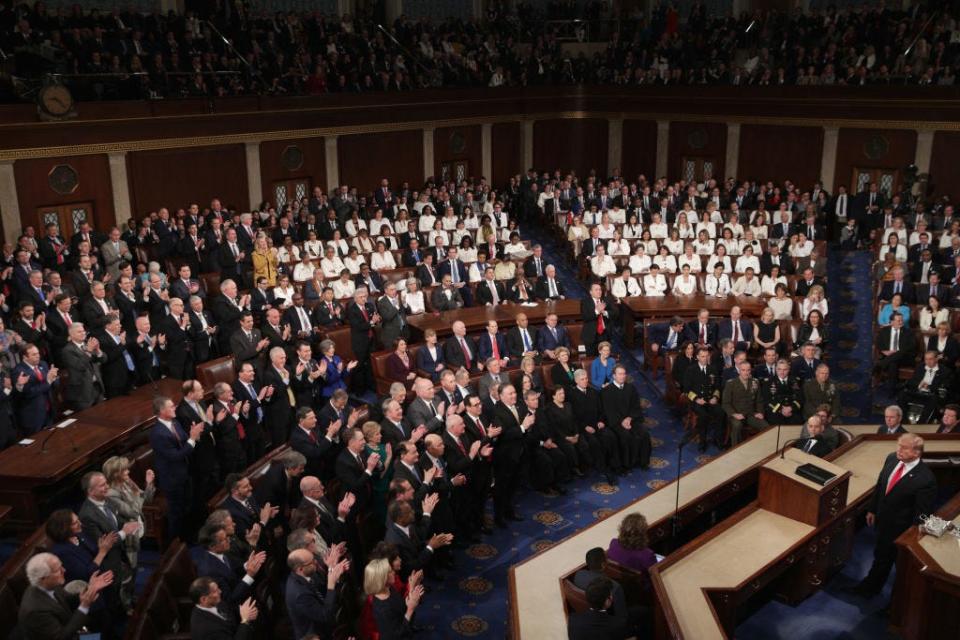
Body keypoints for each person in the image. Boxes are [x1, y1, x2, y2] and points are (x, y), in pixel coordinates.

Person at [853, 433, 936, 597]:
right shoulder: (892, 458)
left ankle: (895, 606)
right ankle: (869, 589)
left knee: (901, 570)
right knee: (880, 558)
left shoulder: (926, 479)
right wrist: (872, 509)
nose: (899, 450)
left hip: (901, 532)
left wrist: (907, 540)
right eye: (898, 445)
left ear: (917, 452)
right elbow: (880, 485)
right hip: (883, 523)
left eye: (904, 448)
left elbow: (921, 515)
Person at [18, 553, 113, 640]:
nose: (64, 570)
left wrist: (90, 588)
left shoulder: (48, 584)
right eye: (58, 570)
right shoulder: (35, 611)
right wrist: (84, 606)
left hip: (69, 627)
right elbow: (61, 637)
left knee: (104, 620)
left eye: (61, 566)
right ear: (44, 578)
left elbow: (67, 600)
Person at [149, 395, 205, 542]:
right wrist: (192, 439)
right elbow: (176, 456)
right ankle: (176, 545)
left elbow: (185, 441)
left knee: (187, 508)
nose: (175, 408)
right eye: (171, 406)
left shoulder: (174, 423)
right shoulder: (158, 434)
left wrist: (194, 436)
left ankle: (189, 537)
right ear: (162, 411)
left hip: (185, 474)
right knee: (176, 514)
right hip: (172, 480)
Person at [285, 548, 349, 640]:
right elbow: (325, 615)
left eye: (314, 558)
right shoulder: (300, 595)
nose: (316, 562)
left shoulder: (305, 573)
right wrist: (331, 584)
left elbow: (322, 587)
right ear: (300, 569)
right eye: (311, 562)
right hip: (314, 634)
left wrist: (331, 568)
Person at [601, 365, 649, 469]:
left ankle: (643, 462)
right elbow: (609, 411)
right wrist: (621, 421)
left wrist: (629, 418)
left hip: (631, 419)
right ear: (614, 376)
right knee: (625, 436)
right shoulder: (607, 391)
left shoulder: (630, 388)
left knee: (644, 433)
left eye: (624, 374)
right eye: (620, 374)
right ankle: (627, 464)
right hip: (616, 422)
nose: (623, 376)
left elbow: (636, 406)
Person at [366, 557, 424, 640]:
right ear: (382, 579)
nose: (394, 572)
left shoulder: (389, 588)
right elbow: (396, 636)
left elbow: (400, 609)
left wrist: (411, 588)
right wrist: (410, 610)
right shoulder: (382, 609)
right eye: (390, 572)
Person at [188, 577, 258, 640]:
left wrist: (247, 612)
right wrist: (245, 620)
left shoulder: (214, 602)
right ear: (203, 599)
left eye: (218, 588)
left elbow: (231, 611)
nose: (220, 591)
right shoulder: (207, 630)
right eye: (215, 591)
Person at [683, 347, 726, 451]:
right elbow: (686, 389)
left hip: (710, 400)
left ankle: (718, 439)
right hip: (697, 401)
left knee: (721, 413)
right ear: (697, 357)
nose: (705, 358)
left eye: (707, 356)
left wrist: (715, 397)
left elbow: (717, 386)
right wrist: (697, 399)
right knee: (703, 415)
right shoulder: (691, 370)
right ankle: (702, 442)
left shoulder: (713, 369)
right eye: (703, 356)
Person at [721, 361, 769, 446]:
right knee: (737, 425)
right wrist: (734, 414)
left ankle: (762, 447)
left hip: (751, 414)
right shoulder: (730, 384)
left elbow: (759, 400)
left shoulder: (755, 382)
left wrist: (760, 412)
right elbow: (725, 403)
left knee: (765, 425)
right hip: (736, 414)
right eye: (743, 370)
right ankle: (735, 449)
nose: (746, 373)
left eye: (748, 370)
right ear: (739, 371)